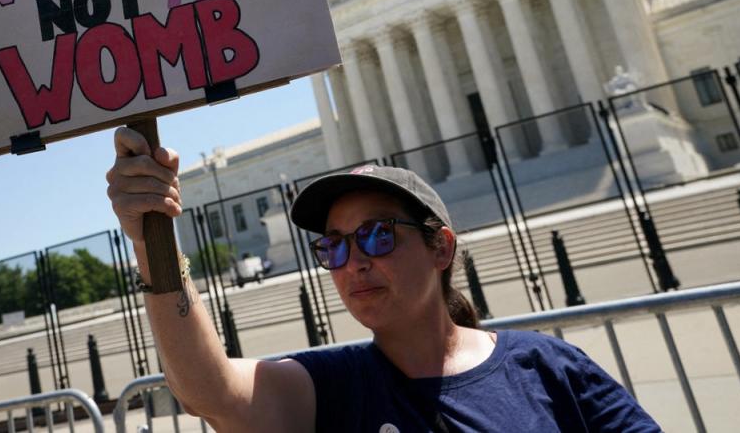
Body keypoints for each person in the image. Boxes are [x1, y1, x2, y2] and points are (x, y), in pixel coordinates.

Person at [107, 127, 662, 431]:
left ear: (440, 247)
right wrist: (152, 240)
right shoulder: (330, 387)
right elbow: (210, 392)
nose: (355, 263)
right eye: (335, 246)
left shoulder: (547, 368)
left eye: (377, 235)